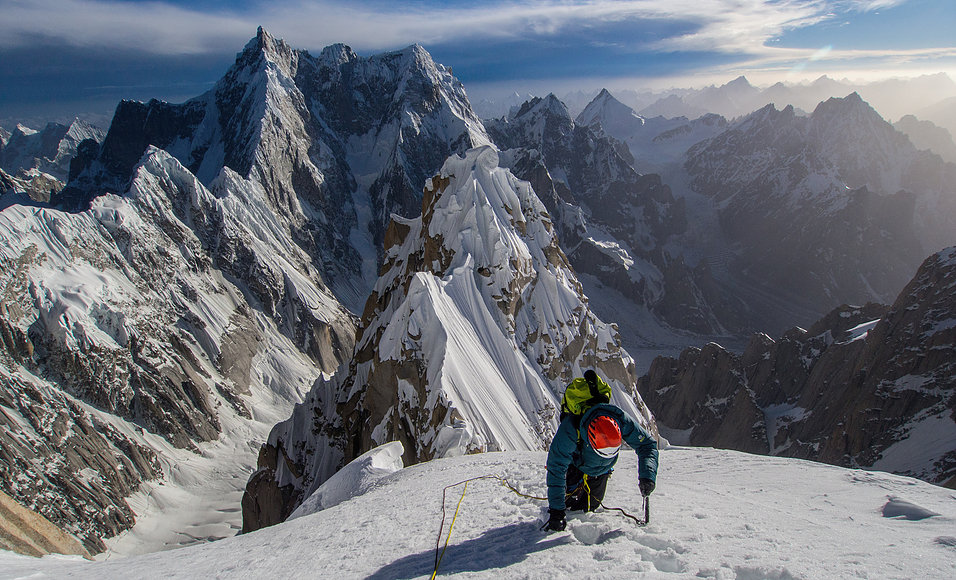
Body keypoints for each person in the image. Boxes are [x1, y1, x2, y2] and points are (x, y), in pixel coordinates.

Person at [542, 369, 659, 532]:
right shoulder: (571, 428)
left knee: (590, 506)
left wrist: (648, 476)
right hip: (576, 465)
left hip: (601, 470)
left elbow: (647, 444)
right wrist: (556, 512)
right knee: (570, 504)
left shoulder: (620, 420)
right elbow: (556, 466)